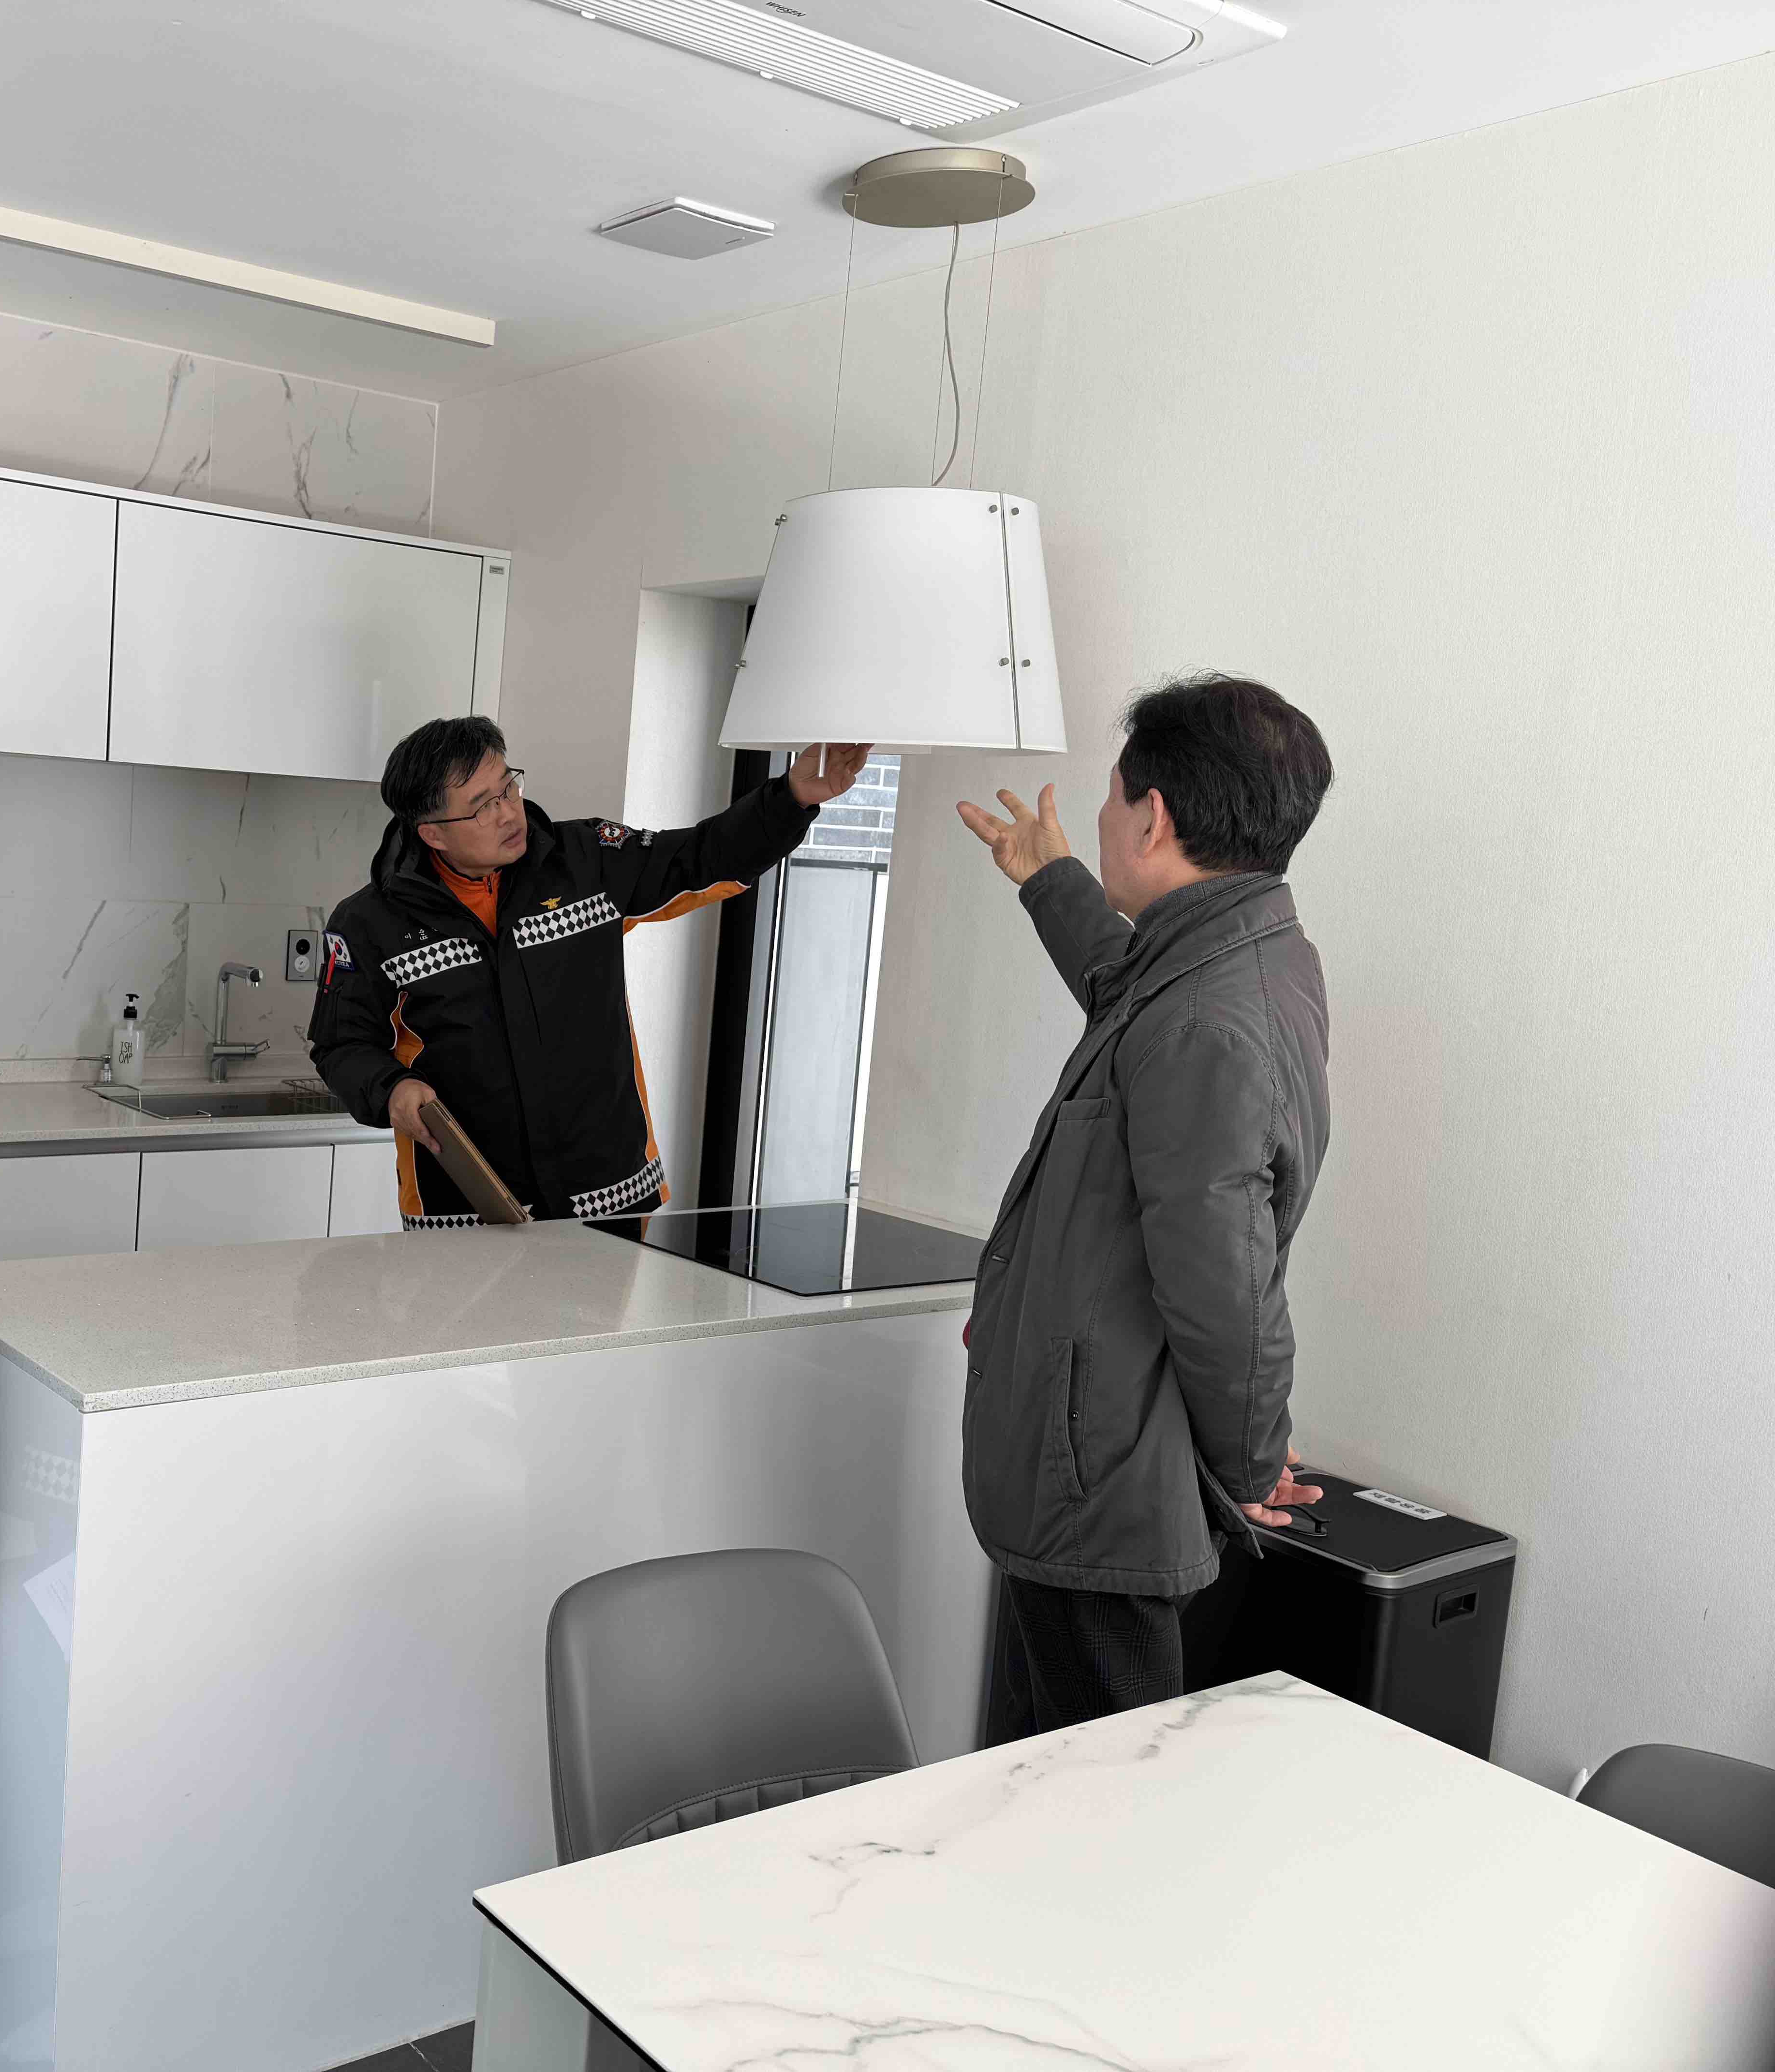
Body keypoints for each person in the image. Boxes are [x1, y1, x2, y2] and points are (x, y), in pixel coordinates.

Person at [953, 673, 1333, 1735]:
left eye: (1111, 797)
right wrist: (1050, 879)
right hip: (1101, 1462)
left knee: (1100, 1795)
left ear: (1152, 816)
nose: (1104, 817)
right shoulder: (1237, 956)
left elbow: (1225, 1283)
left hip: (1103, 1488)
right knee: (1038, 1780)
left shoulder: (1206, 1021)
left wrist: (1251, 1457)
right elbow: (1129, 991)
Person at [310, 716, 872, 1227]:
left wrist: (793, 797)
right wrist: (392, 1088)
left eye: (509, 786)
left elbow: (701, 858)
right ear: (432, 832)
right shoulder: (367, 924)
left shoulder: (587, 860)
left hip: (610, 1197)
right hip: (465, 1211)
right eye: (482, 806)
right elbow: (341, 1045)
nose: (508, 812)